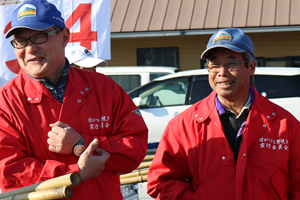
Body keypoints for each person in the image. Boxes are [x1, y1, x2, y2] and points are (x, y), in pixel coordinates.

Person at [0, 0, 148, 199]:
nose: (29, 48)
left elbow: (135, 149)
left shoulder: (104, 88)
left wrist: (82, 143)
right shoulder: (6, 102)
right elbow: (9, 172)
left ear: (63, 37)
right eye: (21, 41)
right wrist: (74, 173)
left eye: (39, 37)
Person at [147, 28, 300, 199]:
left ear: (251, 67)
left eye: (231, 63)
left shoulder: (286, 124)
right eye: (214, 64)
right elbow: (161, 181)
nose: (222, 72)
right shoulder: (183, 125)